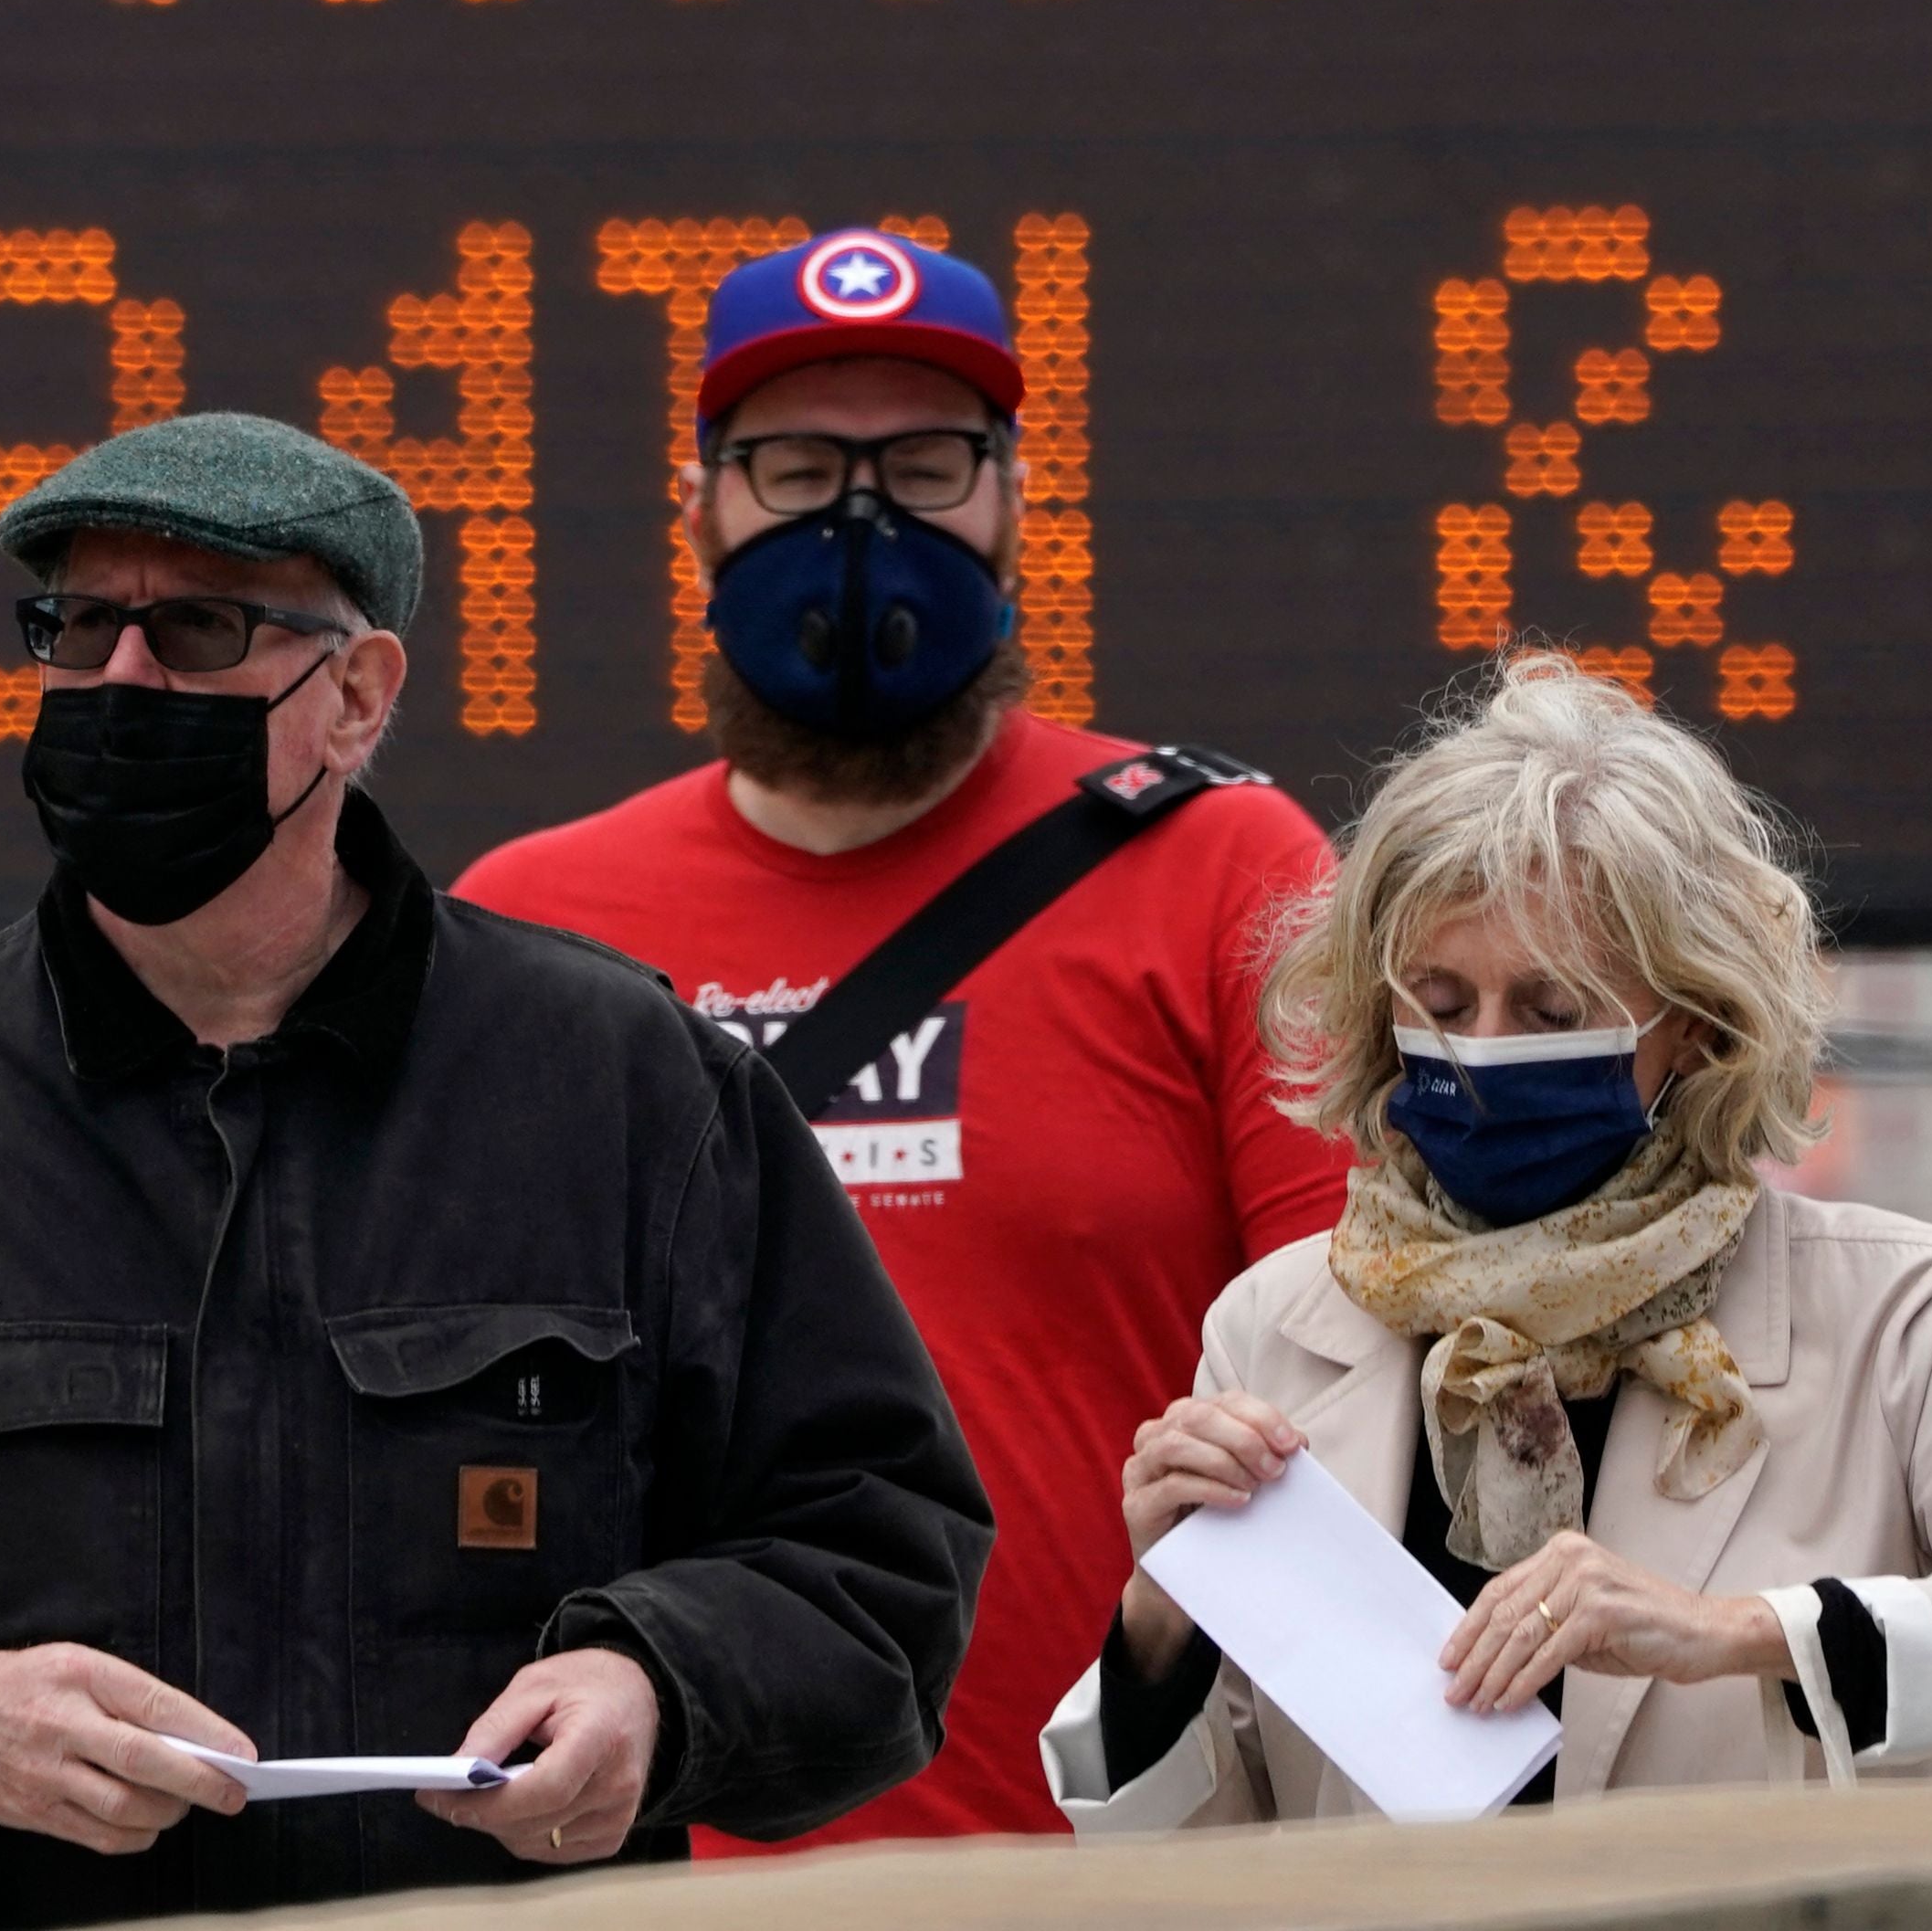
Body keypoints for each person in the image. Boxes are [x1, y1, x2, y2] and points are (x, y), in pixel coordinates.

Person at [0, 413, 993, 1926]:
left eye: (198, 631)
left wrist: (660, 1682)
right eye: (81, 626)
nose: (124, 680)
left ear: (356, 694)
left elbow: (880, 1564)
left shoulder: (624, 1089)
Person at [458, 227, 1349, 1845]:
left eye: (925, 464)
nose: (860, 521)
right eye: (797, 467)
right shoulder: (527, 922)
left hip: (1136, 1859)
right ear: (701, 507)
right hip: (657, 1874)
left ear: (1010, 500)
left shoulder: (1226, 868)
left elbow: (1361, 1364)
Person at [1058, 656, 1932, 1820]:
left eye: (1552, 1009)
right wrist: (1161, 1629)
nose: (1482, 1050)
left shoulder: (1886, 1311)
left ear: (1701, 1027)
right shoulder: (1278, 1328)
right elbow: (1219, 1858)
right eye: (1442, 1003)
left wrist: (1745, 1632)